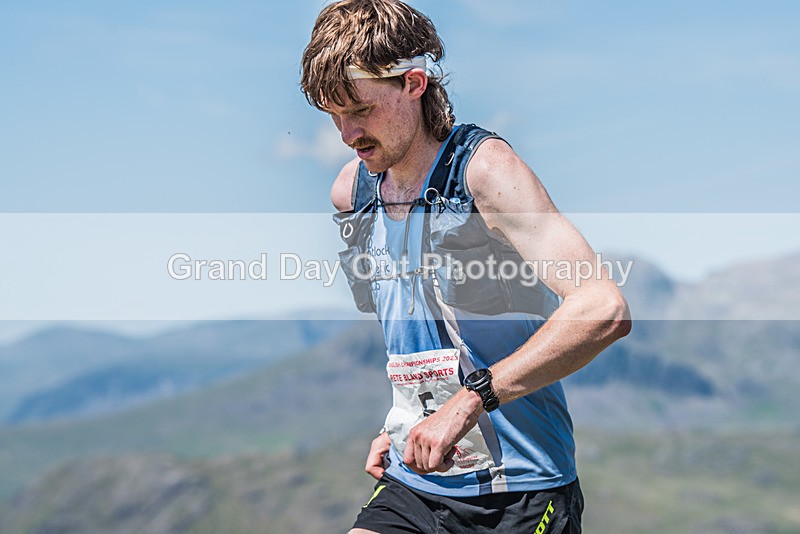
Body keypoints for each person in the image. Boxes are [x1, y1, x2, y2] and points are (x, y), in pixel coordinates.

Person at [301, 1, 631, 532]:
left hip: (521, 489)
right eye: (332, 114)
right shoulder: (352, 192)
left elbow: (603, 309)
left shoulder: (485, 172)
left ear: (413, 83)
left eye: (359, 110)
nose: (345, 132)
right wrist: (405, 419)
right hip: (415, 482)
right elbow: (415, 333)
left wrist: (467, 403)